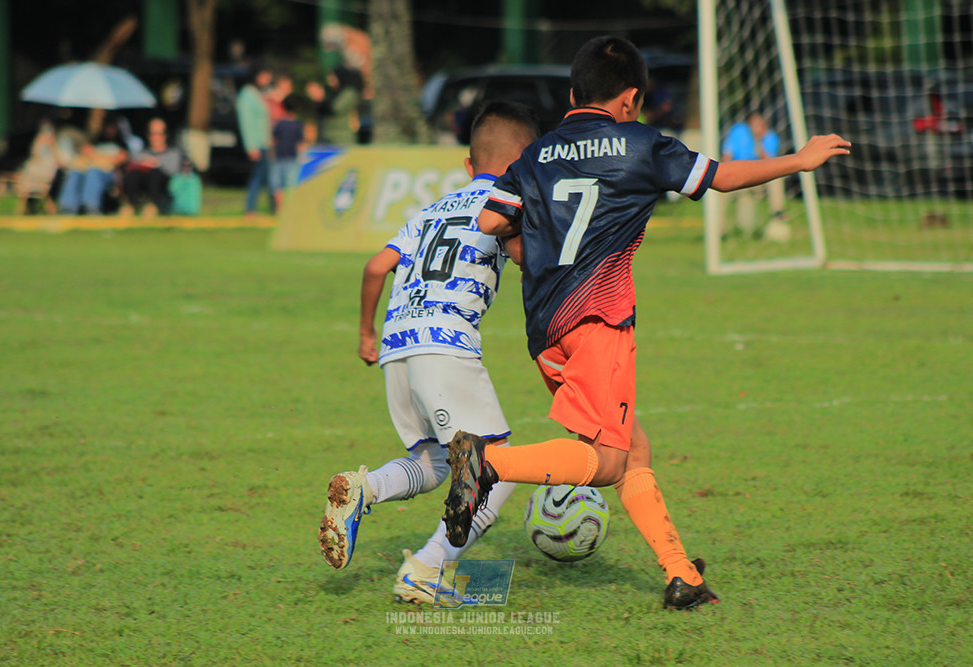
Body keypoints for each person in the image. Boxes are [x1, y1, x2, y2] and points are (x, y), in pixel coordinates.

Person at [446, 36, 850, 610]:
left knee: (634, 447)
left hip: (546, 330)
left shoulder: (535, 155)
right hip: (599, 320)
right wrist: (799, 160)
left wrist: (536, 237)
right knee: (609, 460)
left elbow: (491, 221)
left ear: (572, 96)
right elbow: (720, 177)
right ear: (630, 99)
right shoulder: (640, 143)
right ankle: (485, 464)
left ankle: (680, 575)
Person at [318, 101, 540, 604]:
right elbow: (528, 260)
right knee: (499, 468)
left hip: (398, 346)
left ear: (468, 163)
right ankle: (425, 568)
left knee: (435, 462)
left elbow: (376, 267)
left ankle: (365, 488)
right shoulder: (508, 204)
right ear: (522, 164)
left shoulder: (430, 210)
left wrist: (366, 335)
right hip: (445, 345)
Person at [721, 112, 787, 237]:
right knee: (717, 190)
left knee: (777, 180)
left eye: (758, 125)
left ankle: (777, 214)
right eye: (753, 124)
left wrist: (758, 143)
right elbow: (726, 156)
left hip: (758, 180)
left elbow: (771, 165)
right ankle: (719, 229)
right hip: (737, 176)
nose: (755, 128)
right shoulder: (738, 131)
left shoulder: (770, 138)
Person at [57, 116, 129, 215]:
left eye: (112, 127)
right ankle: (67, 207)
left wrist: (95, 155)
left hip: (108, 173)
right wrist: (99, 157)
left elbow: (119, 160)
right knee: (75, 172)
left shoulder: (121, 144)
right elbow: (83, 155)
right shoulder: (95, 141)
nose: (110, 130)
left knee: (93, 172)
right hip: (87, 169)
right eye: (108, 127)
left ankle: (90, 206)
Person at [122, 118, 185, 217]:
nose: (156, 137)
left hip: (163, 185)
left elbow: (172, 170)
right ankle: (130, 205)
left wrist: (154, 164)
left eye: (160, 134)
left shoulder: (173, 153)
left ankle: (153, 206)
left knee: (155, 174)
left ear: (166, 135)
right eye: (152, 134)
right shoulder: (141, 154)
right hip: (143, 183)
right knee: (133, 175)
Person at [236, 65, 274, 217]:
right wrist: (251, 146)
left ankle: (273, 208)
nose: (267, 80)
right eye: (265, 77)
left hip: (265, 143)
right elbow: (246, 123)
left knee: (268, 177)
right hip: (257, 144)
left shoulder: (260, 94)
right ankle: (250, 210)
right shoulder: (247, 95)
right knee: (258, 177)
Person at [269, 94, 307, 212]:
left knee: (277, 187)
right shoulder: (298, 124)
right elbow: (301, 144)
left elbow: (274, 140)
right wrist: (302, 158)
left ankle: (279, 210)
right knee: (290, 186)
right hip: (292, 159)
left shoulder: (279, 124)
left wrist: (271, 154)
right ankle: (288, 210)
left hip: (279, 158)